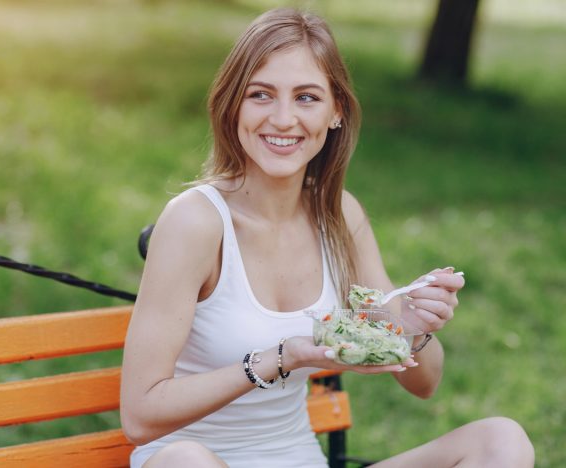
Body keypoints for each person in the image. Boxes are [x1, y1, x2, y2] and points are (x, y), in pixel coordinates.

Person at [120, 8, 534, 468]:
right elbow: (140, 415)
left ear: (336, 111)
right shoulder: (195, 222)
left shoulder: (338, 215)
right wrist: (284, 356)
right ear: (233, 104)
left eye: (306, 98)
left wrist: (412, 329)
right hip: (193, 461)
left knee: (502, 440)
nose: (282, 118)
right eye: (261, 94)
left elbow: (425, 383)